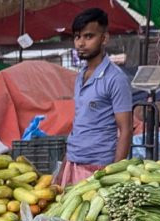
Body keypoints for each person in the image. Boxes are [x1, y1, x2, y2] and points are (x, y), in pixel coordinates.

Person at [57, 8, 134, 186]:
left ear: (104, 38)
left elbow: (126, 130)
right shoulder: (81, 75)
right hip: (74, 161)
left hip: (98, 167)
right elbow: (79, 123)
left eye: (88, 36)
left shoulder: (116, 79)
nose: (81, 43)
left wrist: (114, 174)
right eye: (77, 37)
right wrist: (63, 167)